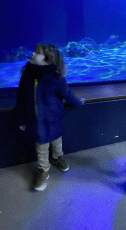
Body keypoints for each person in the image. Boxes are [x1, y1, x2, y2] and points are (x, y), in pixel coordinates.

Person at [15, 43, 84, 191]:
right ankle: (43, 170)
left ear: (48, 60)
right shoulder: (26, 77)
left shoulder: (57, 79)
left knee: (57, 142)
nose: (33, 54)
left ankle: (58, 157)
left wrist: (78, 103)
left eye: (38, 53)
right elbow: (20, 100)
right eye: (34, 51)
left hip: (54, 121)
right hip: (37, 124)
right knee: (41, 149)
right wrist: (20, 119)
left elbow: (67, 95)